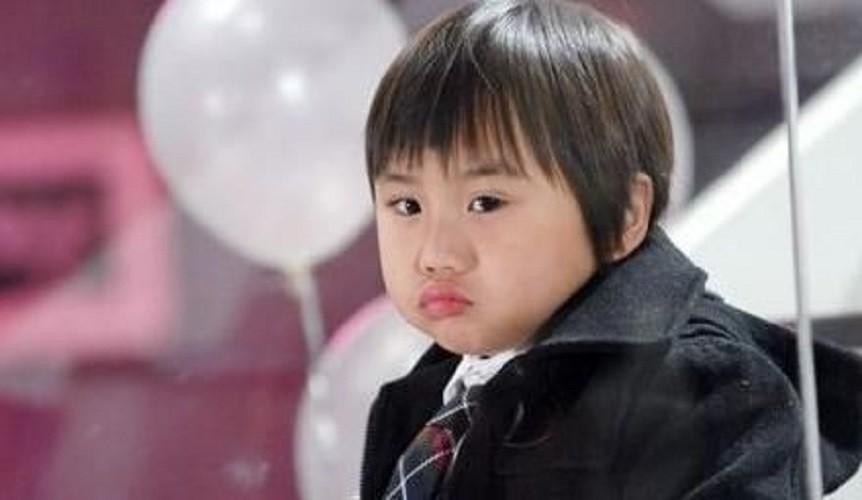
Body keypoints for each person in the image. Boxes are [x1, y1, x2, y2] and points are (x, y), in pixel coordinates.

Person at [359, 1, 862, 498]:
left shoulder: (699, 387)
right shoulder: (438, 397)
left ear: (624, 213)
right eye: (407, 205)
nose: (435, 254)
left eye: (486, 202)